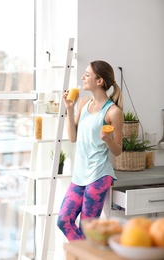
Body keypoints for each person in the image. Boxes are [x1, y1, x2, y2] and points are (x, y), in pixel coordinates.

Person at [57, 60, 123, 241]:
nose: (82, 77)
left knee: (87, 228)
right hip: (80, 174)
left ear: (99, 81)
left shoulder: (113, 112)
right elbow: (72, 137)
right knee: (63, 221)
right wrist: (69, 109)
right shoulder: (83, 103)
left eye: (87, 75)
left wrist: (108, 140)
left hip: (99, 175)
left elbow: (118, 150)